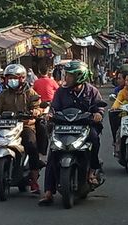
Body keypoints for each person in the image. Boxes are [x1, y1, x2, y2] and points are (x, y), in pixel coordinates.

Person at [41, 60, 105, 205]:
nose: (66, 78)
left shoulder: (91, 91)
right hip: (63, 127)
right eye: (66, 75)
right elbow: (54, 108)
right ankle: (48, 192)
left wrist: (98, 114)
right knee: (53, 153)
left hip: (85, 126)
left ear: (79, 76)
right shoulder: (61, 91)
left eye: (70, 75)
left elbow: (99, 108)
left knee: (94, 139)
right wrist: (50, 115)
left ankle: (92, 171)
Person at [0, 64, 44, 193]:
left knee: (31, 143)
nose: (11, 81)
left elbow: (37, 106)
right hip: (5, 125)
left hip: (25, 125)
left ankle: (33, 178)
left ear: (22, 78)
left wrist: (35, 112)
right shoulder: (3, 94)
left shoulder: (30, 92)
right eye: (9, 78)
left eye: (14, 78)